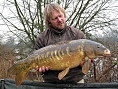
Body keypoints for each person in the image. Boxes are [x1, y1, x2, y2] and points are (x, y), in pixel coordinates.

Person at [34, 3, 86, 83]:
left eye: (60, 16)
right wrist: (41, 69)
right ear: (49, 21)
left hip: (76, 81)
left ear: (64, 15)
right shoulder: (42, 38)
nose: (59, 20)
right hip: (51, 83)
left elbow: (86, 66)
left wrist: (85, 63)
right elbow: (37, 66)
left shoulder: (78, 35)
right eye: (55, 18)